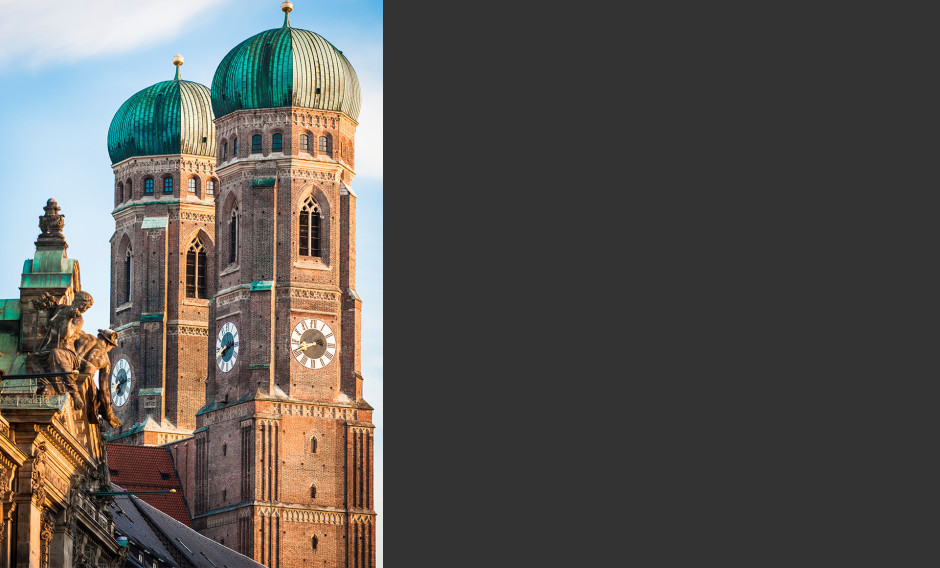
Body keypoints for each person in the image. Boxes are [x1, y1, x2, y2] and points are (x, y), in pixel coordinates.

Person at [73, 329, 121, 428]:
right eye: (112, 347)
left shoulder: (85, 336)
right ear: (109, 344)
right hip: (83, 385)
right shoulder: (106, 361)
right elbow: (104, 391)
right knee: (98, 399)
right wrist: (109, 415)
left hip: (67, 371)